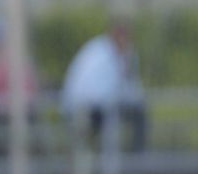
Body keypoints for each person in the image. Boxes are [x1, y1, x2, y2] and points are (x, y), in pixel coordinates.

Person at [62, 20, 147, 152]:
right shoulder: (100, 54)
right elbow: (99, 92)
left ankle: (136, 155)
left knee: (137, 112)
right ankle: (134, 157)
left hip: (94, 107)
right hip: (84, 109)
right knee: (131, 114)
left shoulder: (121, 53)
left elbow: (130, 88)